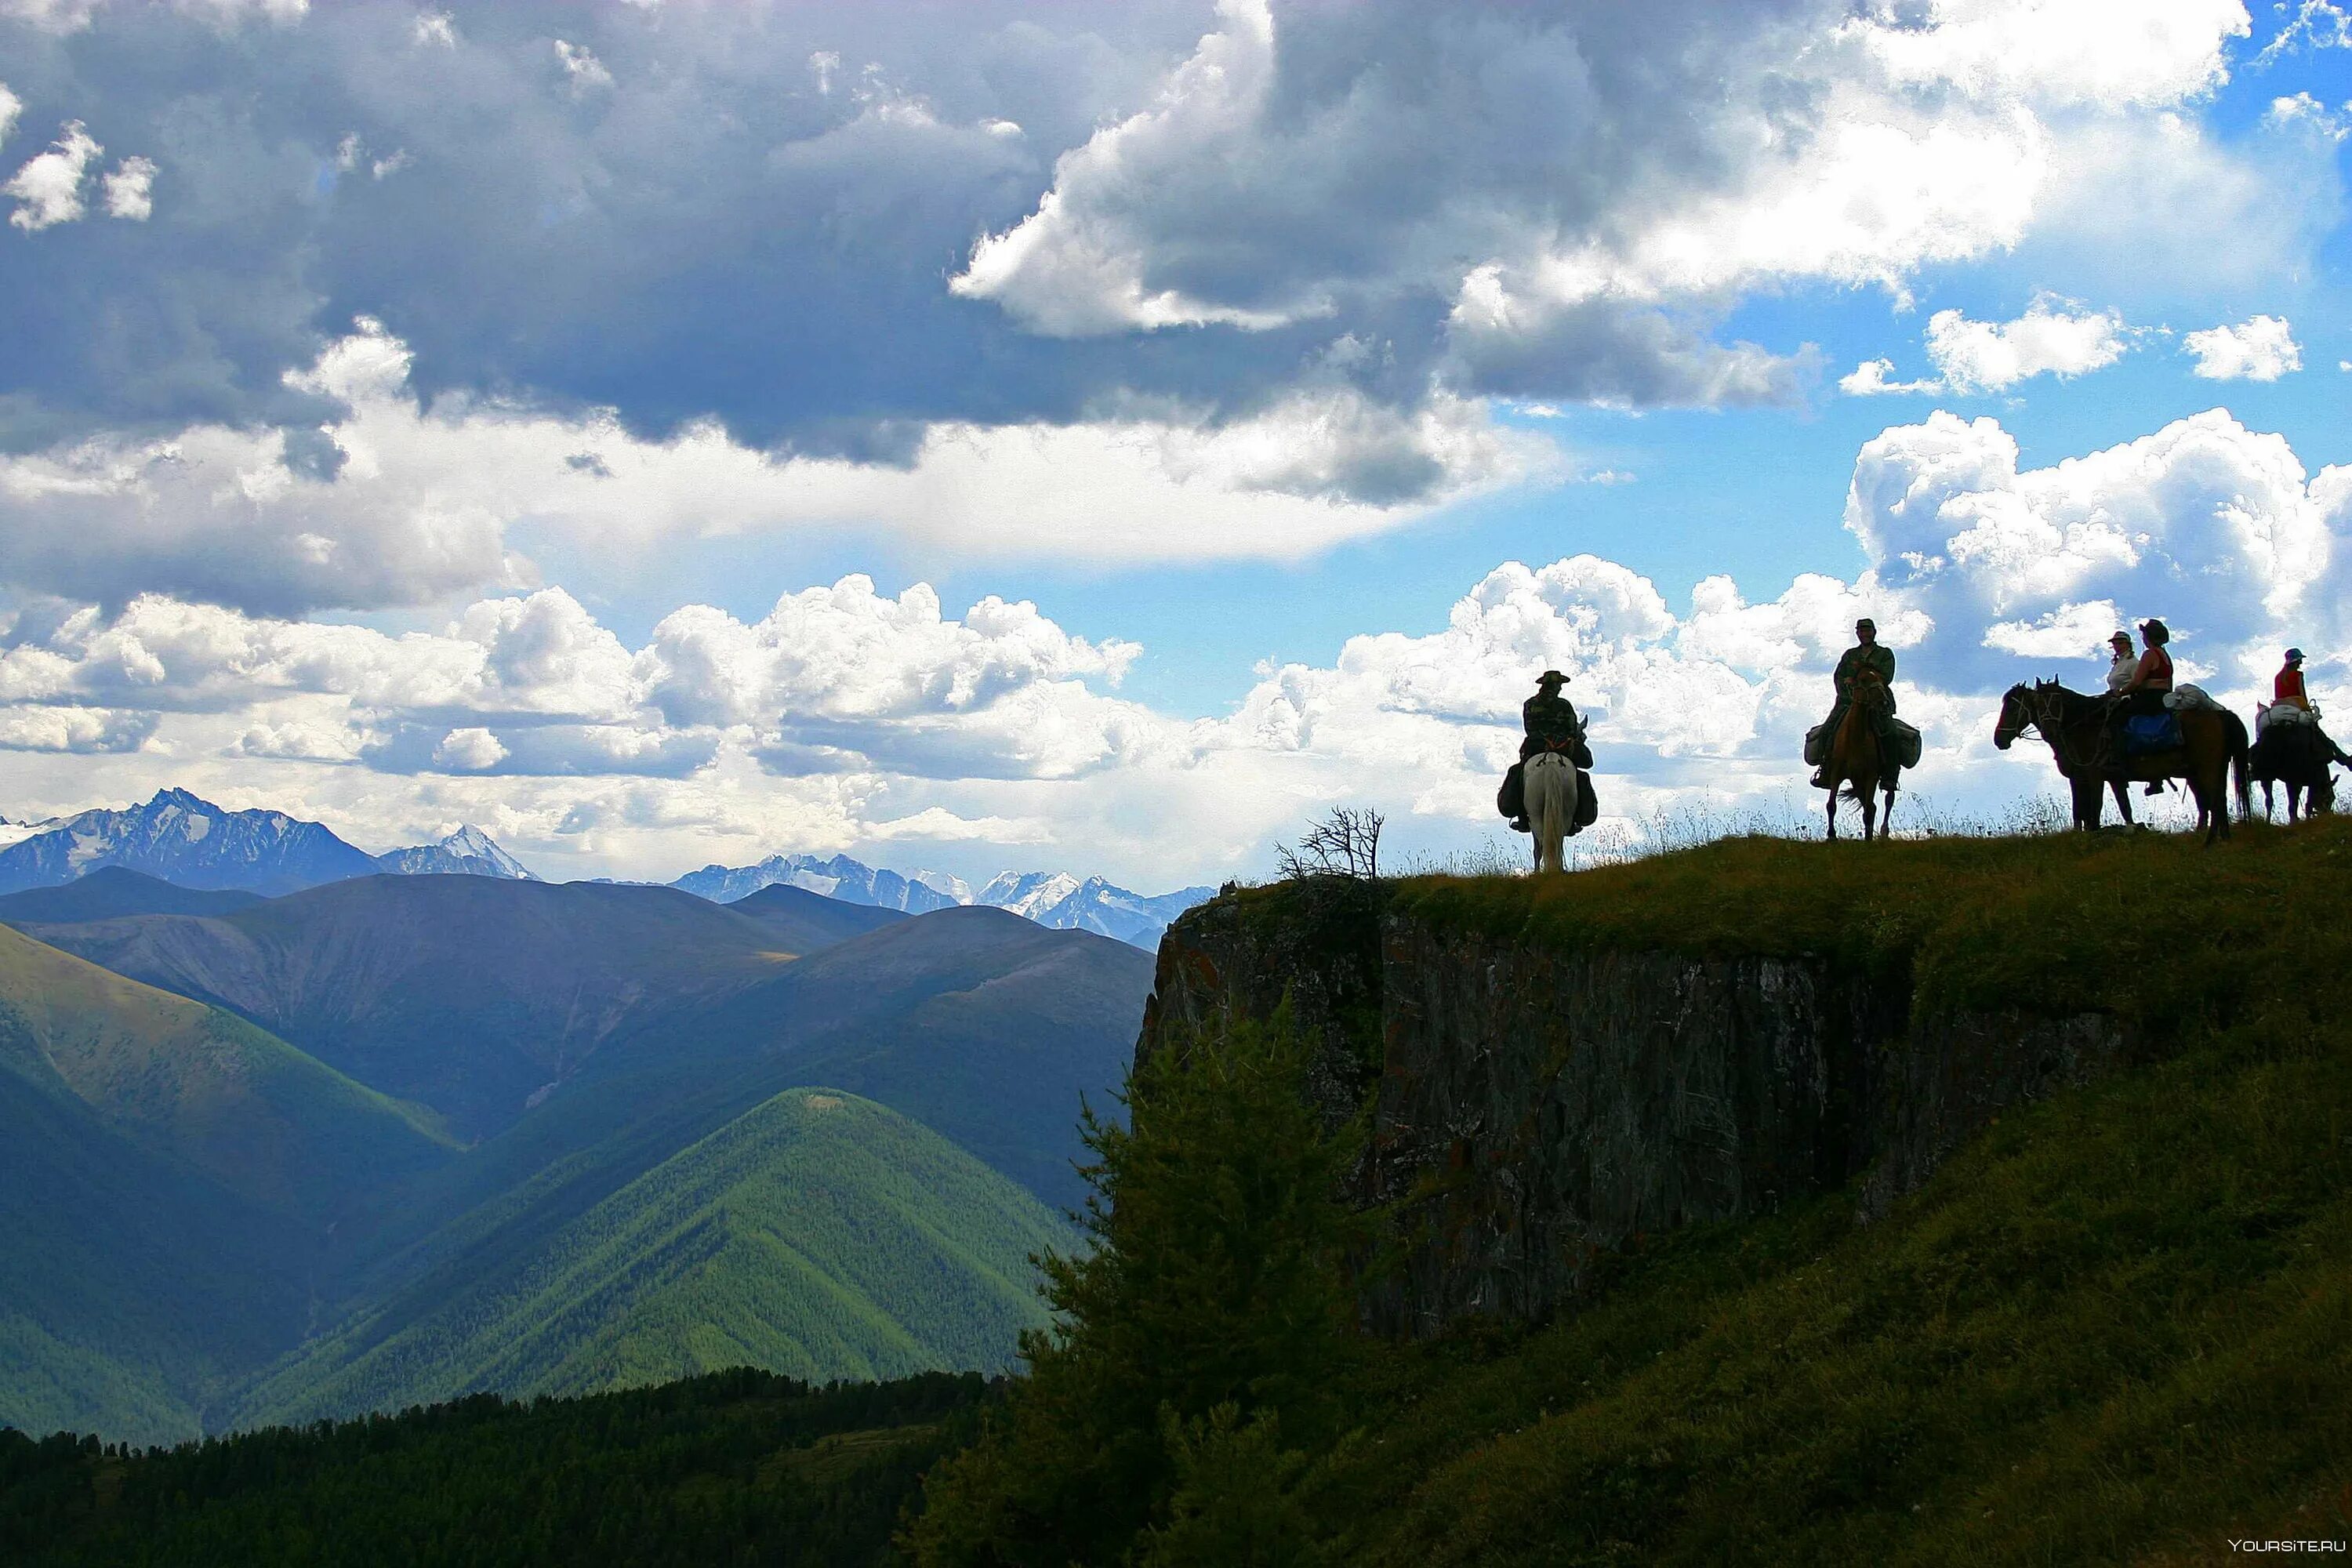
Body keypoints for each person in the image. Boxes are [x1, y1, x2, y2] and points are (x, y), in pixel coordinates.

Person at [1809, 618, 1896, 789]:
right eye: (1861, 631)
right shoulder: (1850, 655)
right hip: (1848, 702)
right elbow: (1839, 676)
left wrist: (1858, 676)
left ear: (1874, 632)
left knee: (1891, 734)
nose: (1865, 634)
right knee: (1828, 729)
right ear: (1857, 633)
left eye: (1868, 631)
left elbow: (1886, 676)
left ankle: (1890, 776)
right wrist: (1848, 691)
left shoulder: (1885, 654)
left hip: (1876, 702)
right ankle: (1825, 770)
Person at [1498, 670, 1586, 832]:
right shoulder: (1564, 705)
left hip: (1535, 746)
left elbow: (1528, 728)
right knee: (1582, 773)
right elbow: (1572, 729)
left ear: (1543, 685)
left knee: (1517, 773)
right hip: (1562, 747)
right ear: (1557, 685)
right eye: (1559, 685)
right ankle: (1576, 818)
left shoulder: (1530, 704)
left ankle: (1522, 818)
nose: (1560, 688)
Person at [2108, 617, 2176, 791]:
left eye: (2144, 636)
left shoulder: (2150, 654)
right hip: (2164, 697)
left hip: (2150, 698)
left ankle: (2120, 764)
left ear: (2149, 637)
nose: (2143, 639)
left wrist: (2120, 693)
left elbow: (2136, 682)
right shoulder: (2165, 655)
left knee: (2115, 720)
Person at [2276, 648, 2314, 713]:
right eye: (2300, 660)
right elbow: (2302, 694)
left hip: (2278, 706)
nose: (2301, 663)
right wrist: (2307, 708)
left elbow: (2277, 696)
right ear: (2297, 661)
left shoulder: (2277, 677)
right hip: (2297, 705)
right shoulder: (2298, 675)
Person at [2105, 630, 2138, 695]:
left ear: (2128, 645)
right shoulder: (2118, 663)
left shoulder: (2133, 663)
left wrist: (2121, 692)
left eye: (2120, 643)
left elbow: (2137, 684)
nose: (2117, 646)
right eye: (2115, 644)